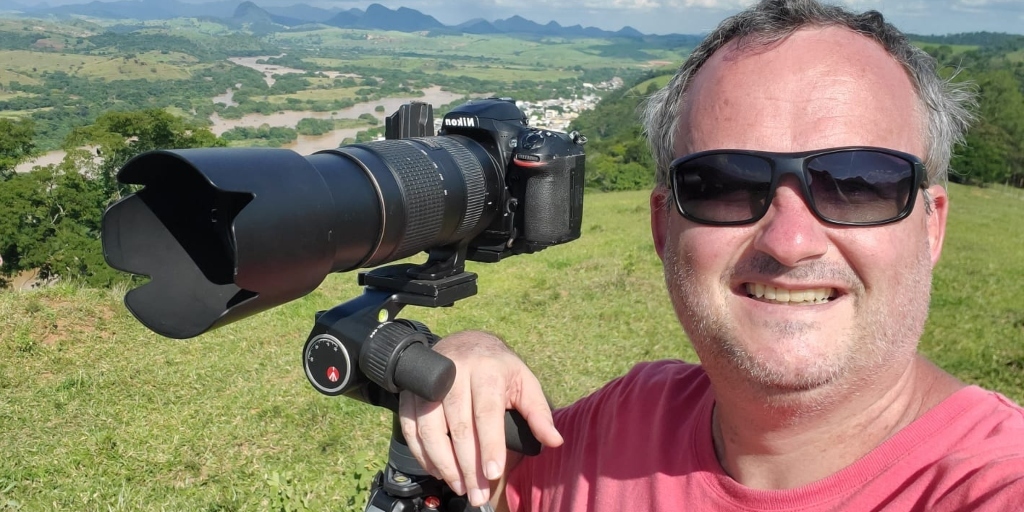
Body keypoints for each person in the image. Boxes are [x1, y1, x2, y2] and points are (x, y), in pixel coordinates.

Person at [398, 0, 1024, 510]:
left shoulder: (992, 483)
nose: (790, 241)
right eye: (723, 183)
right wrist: (467, 367)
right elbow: (495, 486)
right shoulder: (625, 425)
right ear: (663, 228)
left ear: (931, 226)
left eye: (858, 183)